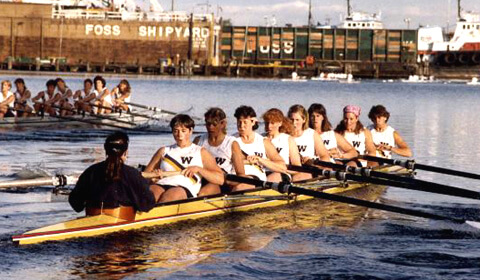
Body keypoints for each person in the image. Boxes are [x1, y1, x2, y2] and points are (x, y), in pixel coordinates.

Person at [69, 132, 157, 221]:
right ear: (126, 152)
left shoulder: (90, 171)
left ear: (106, 150)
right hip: (121, 225)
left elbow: (76, 204)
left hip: (91, 220)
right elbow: (147, 205)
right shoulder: (132, 173)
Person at [145, 114, 225, 202]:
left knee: (172, 194)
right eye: (176, 131)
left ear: (190, 131)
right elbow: (144, 176)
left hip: (184, 188)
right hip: (162, 183)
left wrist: (198, 169)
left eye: (183, 131)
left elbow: (220, 179)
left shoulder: (201, 152)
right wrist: (153, 177)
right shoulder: (163, 151)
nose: (179, 135)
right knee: (152, 192)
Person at [193, 108, 245, 196]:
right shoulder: (198, 140)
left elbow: (241, 175)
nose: (210, 127)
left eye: (214, 124)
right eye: (208, 124)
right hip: (200, 178)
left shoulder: (232, 143)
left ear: (223, 124)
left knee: (202, 193)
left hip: (220, 182)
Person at [233, 105, 286, 190]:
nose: (241, 126)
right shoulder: (231, 140)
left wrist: (260, 160)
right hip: (234, 177)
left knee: (241, 186)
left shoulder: (263, 141)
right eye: (239, 122)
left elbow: (282, 167)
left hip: (255, 179)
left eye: (245, 122)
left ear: (253, 122)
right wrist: (246, 161)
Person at [262, 108, 307, 182]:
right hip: (263, 173)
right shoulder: (259, 138)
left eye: (272, 123)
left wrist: (281, 169)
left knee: (273, 177)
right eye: (267, 123)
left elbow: (297, 167)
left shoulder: (287, 139)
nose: (269, 126)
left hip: (281, 174)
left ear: (280, 123)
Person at [287, 104, 330, 170]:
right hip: (290, 169)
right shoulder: (284, 135)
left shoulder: (311, 134)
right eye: (291, 120)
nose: (294, 123)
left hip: (309, 169)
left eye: (297, 120)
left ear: (304, 120)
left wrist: (313, 164)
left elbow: (325, 156)